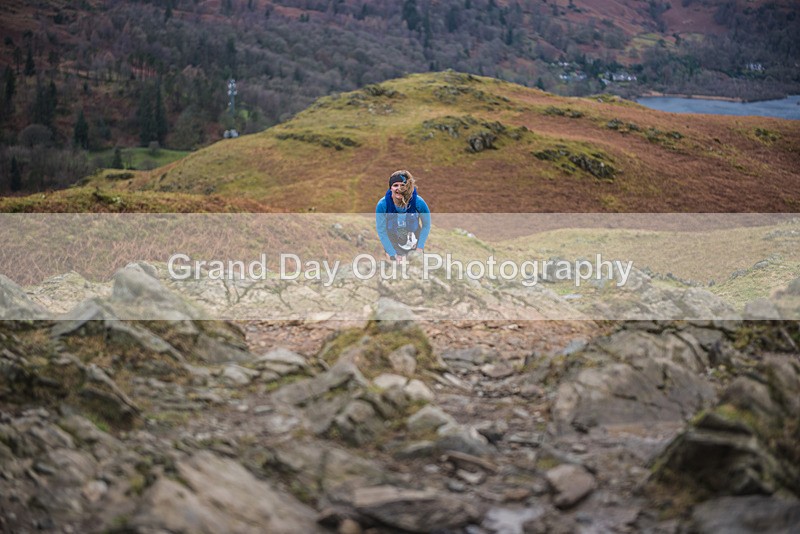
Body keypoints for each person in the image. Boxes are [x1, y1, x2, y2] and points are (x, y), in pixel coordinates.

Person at [375, 170, 431, 261]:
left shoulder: (418, 202)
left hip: (413, 237)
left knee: (415, 266)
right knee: (396, 268)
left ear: (407, 187)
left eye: (402, 185)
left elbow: (426, 225)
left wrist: (420, 248)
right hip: (393, 238)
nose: (399, 188)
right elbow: (381, 231)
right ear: (390, 188)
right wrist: (392, 253)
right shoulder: (382, 205)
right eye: (395, 185)